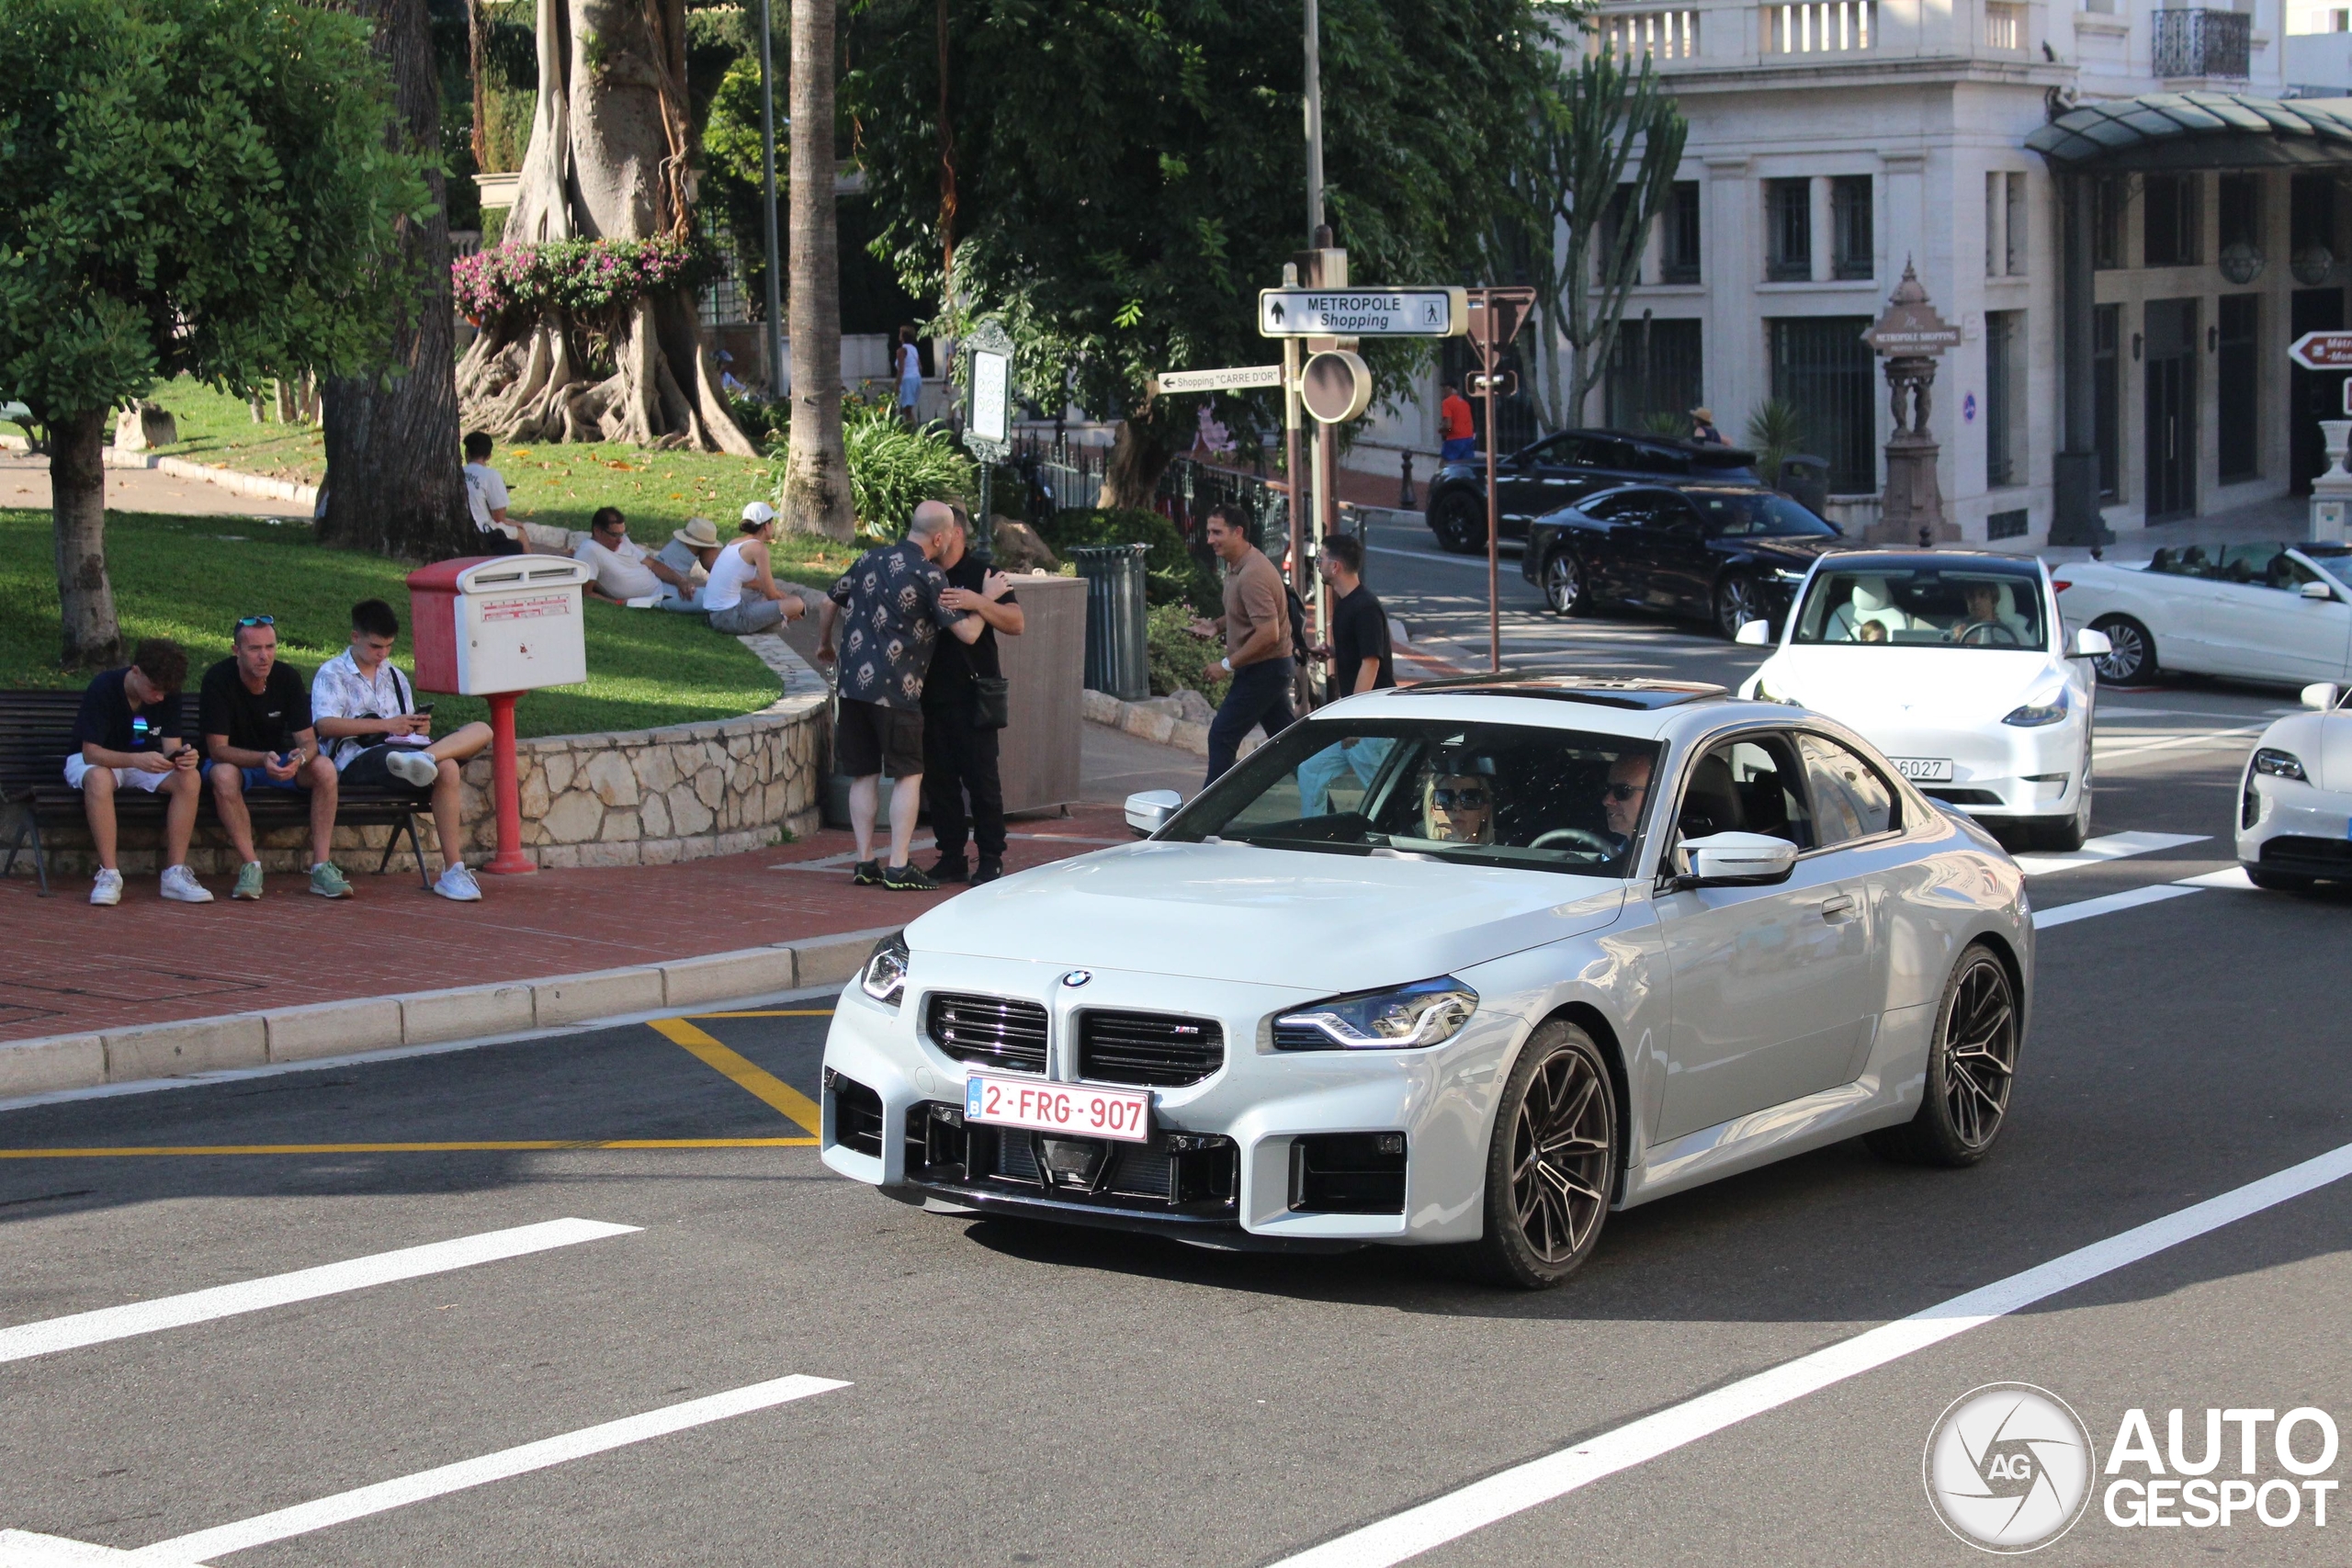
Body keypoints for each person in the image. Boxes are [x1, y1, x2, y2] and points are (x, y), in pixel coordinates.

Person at [816, 500, 991, 890]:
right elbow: (968, 633)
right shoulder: (929, 574)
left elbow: (829, 600)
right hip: (898, 689)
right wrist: (988, 600)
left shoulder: (868, 558)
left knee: (863, 773)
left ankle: (864, 861)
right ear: (941, 537)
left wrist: (824, 643)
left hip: (853, 687)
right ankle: (898, 865)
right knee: (909, 775)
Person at [311, 599, 497, 902]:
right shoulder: (332, 673)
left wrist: (417, 728)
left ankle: (453, 870)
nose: (382, 654)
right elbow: (326, 725)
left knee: (479, 732)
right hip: (358, 759)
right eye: (375, 647)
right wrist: (386, 726)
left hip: (407, 754)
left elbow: (402, 723)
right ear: (355, 637)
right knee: (444, 767)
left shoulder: (395, 675)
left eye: (388, 647)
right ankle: (452, 866)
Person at [201, 616, 348, 899]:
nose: (264, 655)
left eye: (270, 647)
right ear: (236, 651)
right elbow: (217, 749)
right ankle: (251, 866)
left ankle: (321, 867)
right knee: (222, 775)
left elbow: (309, 742)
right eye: (255, 648)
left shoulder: (287, 677)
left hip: (278, 759)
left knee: (325, 768)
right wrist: (261, 760)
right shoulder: (218, 679)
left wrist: (300, 759)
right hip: (236, 761)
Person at [922, 503, 1023, 885]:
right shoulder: (924, 572)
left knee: (982, 781)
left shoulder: (984, 572)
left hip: (975, 694)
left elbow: (1016, 623)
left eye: (939, 530)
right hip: (931, 691)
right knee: (940, 781)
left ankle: (991, 857)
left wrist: (979, 600)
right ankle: (950, 855)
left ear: (955, 533)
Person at [69, 637, 209, 907]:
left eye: (165, 692)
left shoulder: (168, 693)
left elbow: (171, 747)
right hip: (98, 760)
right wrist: (136, 760)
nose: (159, 697)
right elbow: (91, 753)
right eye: (154, 689)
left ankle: (174, 874)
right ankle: (109, 875)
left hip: (141, 760)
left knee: (189, 778)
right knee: (98, 779)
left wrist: (183, 758)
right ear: (136, 671)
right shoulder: (105, 687)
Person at [1296, 534, 1396, 815]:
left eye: (1320, 559)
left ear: (1336, 566)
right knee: (1310, 771)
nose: (1317, 564)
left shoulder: (1365, 607)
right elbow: (1360, 650)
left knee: (1385, 797)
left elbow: (1372, 663)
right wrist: (1332, 651)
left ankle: (1405, 842)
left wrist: (1356, 719)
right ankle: (1313, 838)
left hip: (1372, 724)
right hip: (1356, 721)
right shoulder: (1346, 604)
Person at [1200, 505, 1294, 784]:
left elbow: (1268, 633)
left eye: (1217, 532)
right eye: (1208, 532)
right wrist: (1215, 626)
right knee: (1291, 745)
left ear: (1238, 532)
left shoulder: (1253, 573)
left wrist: (1226, 666)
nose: (1209, 539)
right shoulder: (1237, 566)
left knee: (1222, 735)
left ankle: (1209, 815)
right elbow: (1242, 613)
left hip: (1264, 670)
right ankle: (1328, 809)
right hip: (1267, 669)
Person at [701, 502, 810, 634]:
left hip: (713, 615)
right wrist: (795, 607)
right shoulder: (758, 549)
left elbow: (749, 583)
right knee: (796, 603)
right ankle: (779, 621)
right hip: (729, 618)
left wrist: (775, 596)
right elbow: (771, 594)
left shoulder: (735, 542)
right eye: (772, 522)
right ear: (766, 526)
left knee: (761, 596)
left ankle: (776, 620)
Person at [574, 507, 687, 604]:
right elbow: (586, 593)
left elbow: (652, 564)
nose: (620, 540)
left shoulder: (623, 540)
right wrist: (617, 603)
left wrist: (680, 581)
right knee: (702, 600)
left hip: (661, 583)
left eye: (622, 534)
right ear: (598, 531)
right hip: (654, 599)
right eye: (614, 535)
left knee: (697, 538)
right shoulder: (589, 551)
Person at [462, 432, 526, 556]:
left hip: (461, 526)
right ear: (489, 456)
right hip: (484, 529)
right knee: (521, 533)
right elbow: (499, 518)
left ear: (467, 453)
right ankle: (531, 569)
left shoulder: (458, 472)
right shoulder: (491, 475)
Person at [653, 516, 723, 612]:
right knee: (721, 599)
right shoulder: (705, 549)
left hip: (658, 585)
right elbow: (712, 564)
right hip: (662, 591)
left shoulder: (676, 546)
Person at [1419, 770, 1494, 845]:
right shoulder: (1419, 854)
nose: (1457, 808)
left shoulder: (1500, 853)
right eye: (1446, 799)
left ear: (1484, 811)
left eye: (1469, 799)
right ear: (1432, 811)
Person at [1600, 751, 1653, 856]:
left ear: (1655, 792)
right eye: (1607, 788)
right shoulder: (1608, 858)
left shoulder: (1690, 866)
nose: (1606, 801)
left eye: (1622, 791)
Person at [1438, 380, 1476, 463]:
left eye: (1443, 389)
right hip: (1468, 439)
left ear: (1449, 388)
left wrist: (1442, 430)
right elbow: (1471, 425)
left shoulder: (1447, 402)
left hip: (1454, 440)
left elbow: (1448, 426)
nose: (1443, 393)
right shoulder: (1465, 403)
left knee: (1444, 467)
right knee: (1466, 466)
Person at [894, 326, 922, 425]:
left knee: (907, 411)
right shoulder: (914, 349)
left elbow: (901, 369)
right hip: (916, 379)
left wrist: (897, 385)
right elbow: (920, 367)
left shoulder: (901, 351)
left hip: (908, 380)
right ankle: (910, 429)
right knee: (908, 409)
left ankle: (914, 431)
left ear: (903, 336)